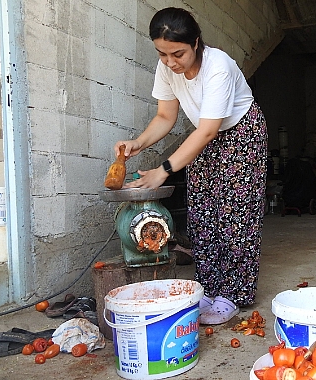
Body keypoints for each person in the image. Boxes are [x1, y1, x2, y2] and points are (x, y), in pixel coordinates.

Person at [114, 7, 267, 325]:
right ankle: (209, 290)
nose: (170, 62)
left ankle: (232, 294)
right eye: (162, 53)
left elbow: (209, 129)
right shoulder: (166, 67)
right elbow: (165, 117)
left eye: (178, 53)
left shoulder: (218, 67)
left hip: (240, 132)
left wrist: (164, 170)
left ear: (196, 43)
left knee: (235, 214)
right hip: (204, 135)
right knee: (202, 211)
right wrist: (138, 144)